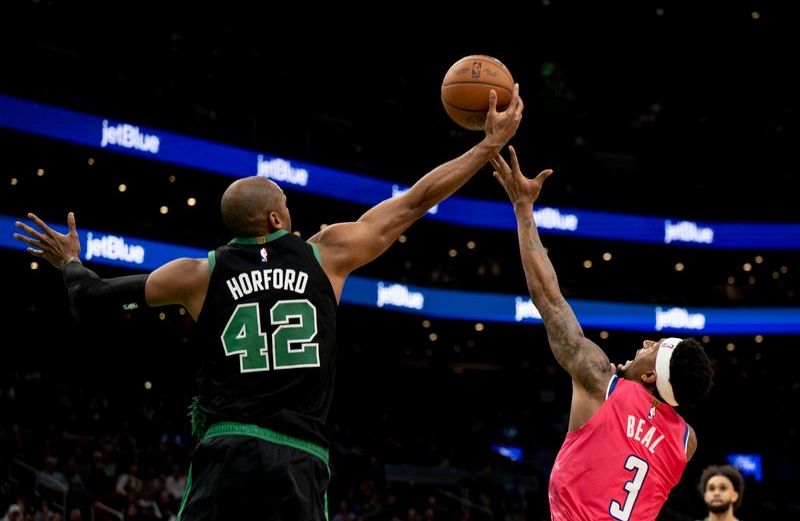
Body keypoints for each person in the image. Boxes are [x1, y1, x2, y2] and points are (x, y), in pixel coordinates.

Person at [13, 85, 523, 521]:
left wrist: (71, 261)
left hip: (227, 449)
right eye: (287, 205)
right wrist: (487, 146)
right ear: (277, 220)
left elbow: (92, 297)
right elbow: (416, 201)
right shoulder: (326, 254)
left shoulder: (198, 273)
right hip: (299, 458)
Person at [489, 147, 714, 521]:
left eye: (653, 347)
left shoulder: (599, 382)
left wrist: (524, 209)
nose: (645, 343)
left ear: (650, 374)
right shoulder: (686, 441)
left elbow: (550, 300)